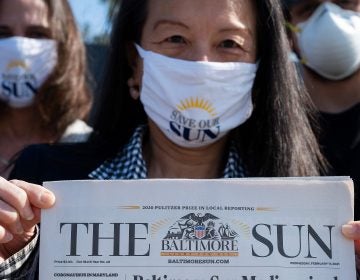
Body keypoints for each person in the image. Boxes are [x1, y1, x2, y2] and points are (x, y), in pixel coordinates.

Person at [0, 0, 359, 278]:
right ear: (134, 60)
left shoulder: (314, 212)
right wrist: (11, 260)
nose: (201, 65)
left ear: (259, 68)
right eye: (175, 38)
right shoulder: (47, 186)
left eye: (229, 43)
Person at [282, 0, 360, 219]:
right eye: (308, 8)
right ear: (288, 34)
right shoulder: (267, 125)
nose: (330, 16)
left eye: (345, 3)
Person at [0, 0, 93, 178]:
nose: (19, 47)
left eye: (36, 34)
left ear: (64, 46)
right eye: (3, 34)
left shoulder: (87, 147)